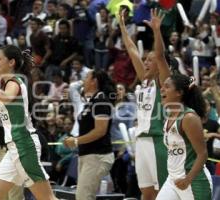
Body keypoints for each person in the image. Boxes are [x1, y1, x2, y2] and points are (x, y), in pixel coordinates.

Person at [0, 45, 57, 200]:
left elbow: (5, 97)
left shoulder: (15, 81)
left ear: (11, 62)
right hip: (13, 147)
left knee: (47, 198)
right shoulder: (9, 83)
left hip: (24, 146)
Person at [118, 8, 170, 200]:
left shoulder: (163, 82)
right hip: (141, 142)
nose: (146, 63)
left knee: (163, 192)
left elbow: (161, 55)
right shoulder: (144, 81)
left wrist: (157, 31)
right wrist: (122, 27)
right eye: (145, 60)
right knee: (146, 193)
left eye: (150, 60)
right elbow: (132, 50)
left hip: (157, 141)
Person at [156, 74, 212, 199]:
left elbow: (203, 154)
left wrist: (188, 180)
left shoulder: (189, 118)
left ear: (179, 93)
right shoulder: (169, 116)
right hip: (172, 180)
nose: (162, 89)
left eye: (167, 87)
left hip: (194, 181)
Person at [63, 69, 116, 200]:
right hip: (87, 155)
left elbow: (100, 131)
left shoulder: (101, 100)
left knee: (83, 197)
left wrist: (76, 141)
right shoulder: (91, 101)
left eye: (86, 77)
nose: (83, 81)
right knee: (83, 196)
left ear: (94, 81)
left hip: (98, 156)